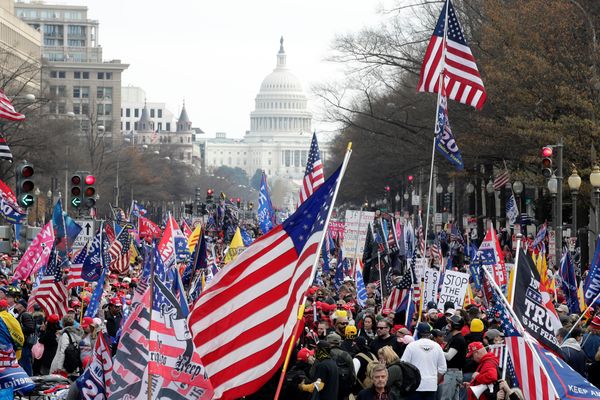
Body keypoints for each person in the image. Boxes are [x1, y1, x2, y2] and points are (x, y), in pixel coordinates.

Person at [401, 323, 447, 400]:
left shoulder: (411, 346)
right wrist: (435, 381)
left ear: (418, 332)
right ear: (430, 333)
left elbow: (403, 364)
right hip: (431, 386)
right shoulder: (437, 346)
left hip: (415, 386)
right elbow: (443, 368)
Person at [440, 315, 467, 400]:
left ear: (455, 325)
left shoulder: (458, 339)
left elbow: (449, 356)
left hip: (452, 373)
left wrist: (437, 350)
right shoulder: (455, 338)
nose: (448, 325)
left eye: (450, 323)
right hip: (453, 372)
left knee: (446, 398)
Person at [14, 299, 35, 376]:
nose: (16, 305)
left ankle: (28, 379)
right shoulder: (21, 315)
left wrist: (17, 329)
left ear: (21, 306)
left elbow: (30, 328)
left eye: (18, 304)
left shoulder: (25, 315)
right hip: (23, 343)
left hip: (25, 344)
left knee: (25, 364)